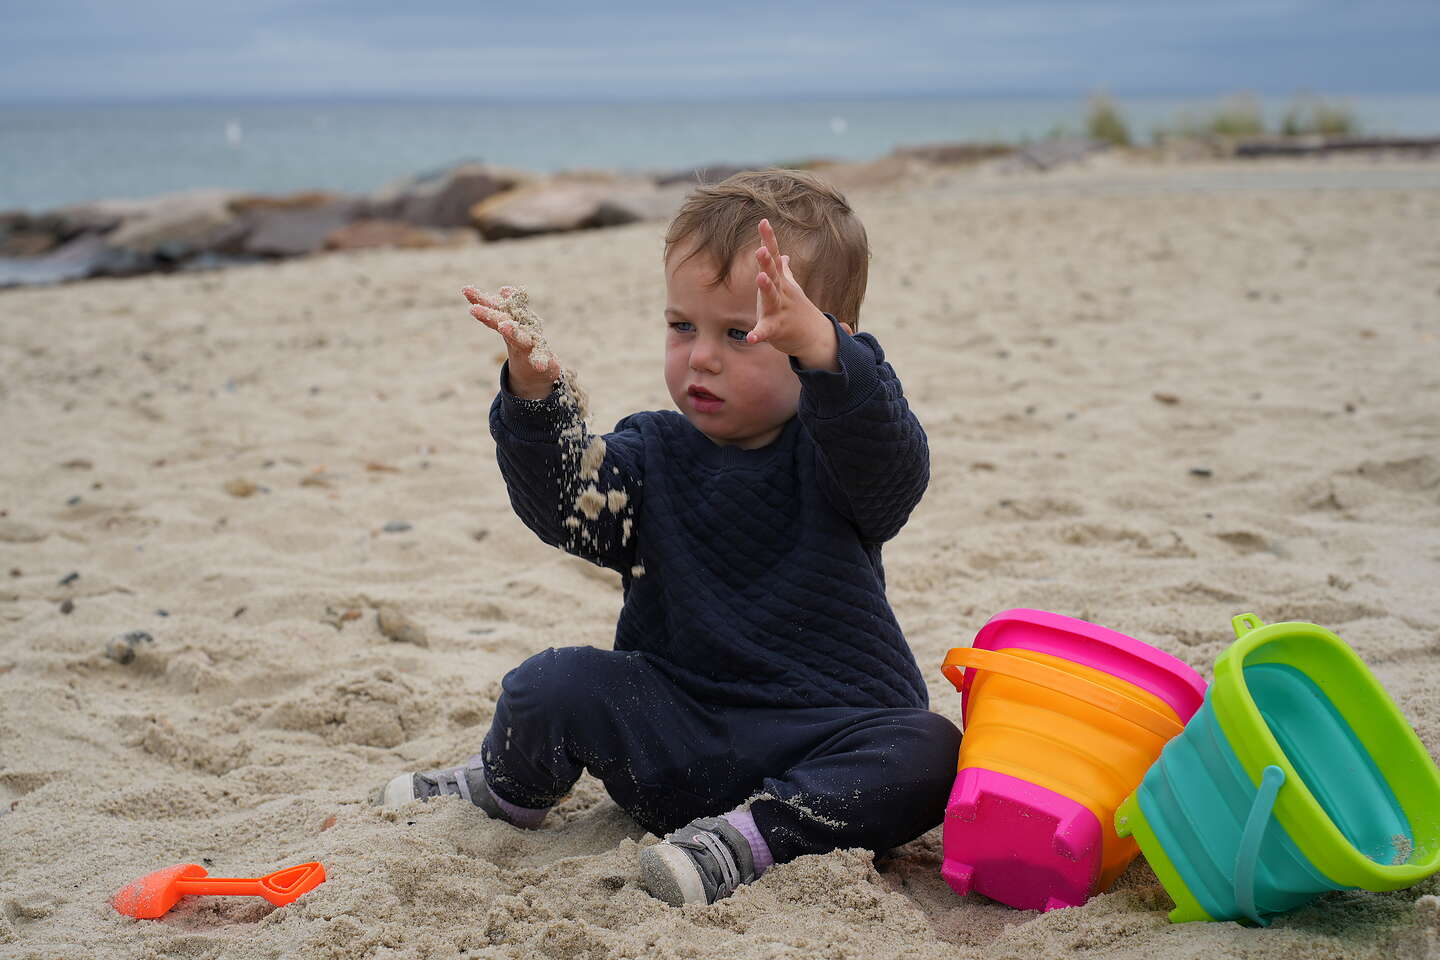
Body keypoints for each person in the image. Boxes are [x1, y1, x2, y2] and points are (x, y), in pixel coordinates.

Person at [380, 169, 961, 906]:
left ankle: (751, 840)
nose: (702, 356)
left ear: (820, 337)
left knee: (931, 750)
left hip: (822, 735)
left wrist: (833, 363)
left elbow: (895, 468)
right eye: (682, 326)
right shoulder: (652, 451)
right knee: (550, 681)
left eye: (740, 333)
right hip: (672, 737)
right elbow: (566, 506)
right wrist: (534, 399)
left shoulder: (840, 453)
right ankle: (506, 789)